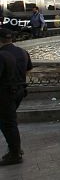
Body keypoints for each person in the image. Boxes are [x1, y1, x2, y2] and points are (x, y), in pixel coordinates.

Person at [0, 35, 22, 165]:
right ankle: (15, 149)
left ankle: (15, 153)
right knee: (10, 123)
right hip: (17, 90)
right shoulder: (18, 52)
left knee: (7, 124)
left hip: (5, 94)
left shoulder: (2, 55)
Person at [0, 28, 32, 111]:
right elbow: (28, 69)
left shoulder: (1, 55)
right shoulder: (23, 52)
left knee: (7, 120)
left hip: (5, 92)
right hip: (20, 91)